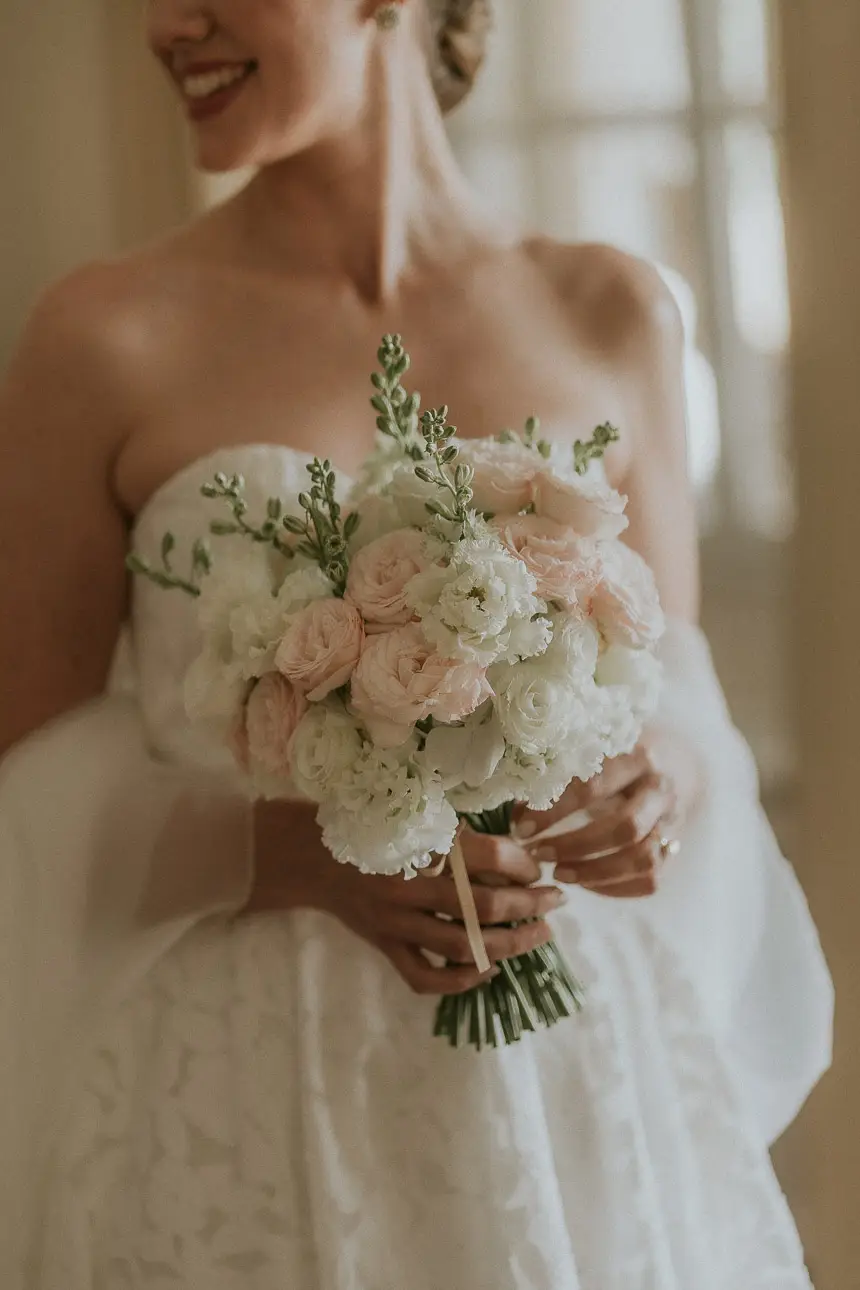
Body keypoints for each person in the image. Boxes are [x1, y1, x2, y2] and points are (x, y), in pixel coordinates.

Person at [0, 0, 833, 1285]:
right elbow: (23, 795)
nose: (166, 25)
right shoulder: (100, 338)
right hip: (242, 1107)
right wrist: (286, 848)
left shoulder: (613, 310)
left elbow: (672, 703)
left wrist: (650, 795)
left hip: (566, 1109)